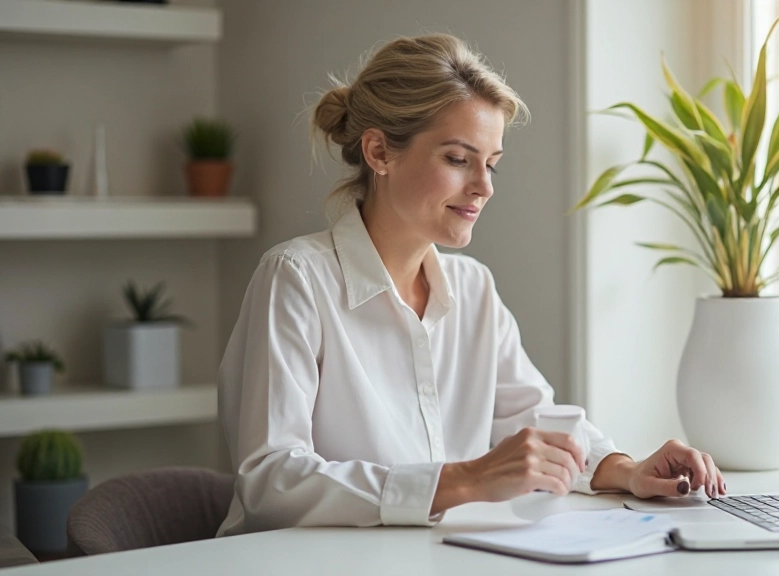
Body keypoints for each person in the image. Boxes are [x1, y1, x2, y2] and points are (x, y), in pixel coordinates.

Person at [216, 33, 726, 537]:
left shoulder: (473, 289)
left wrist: (627, 469)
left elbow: (536, 421)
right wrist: (466, 479)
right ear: (378, 152)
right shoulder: (297, 278)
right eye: (458, 159)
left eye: (492, 164)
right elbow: (271, 481)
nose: (484, 186)